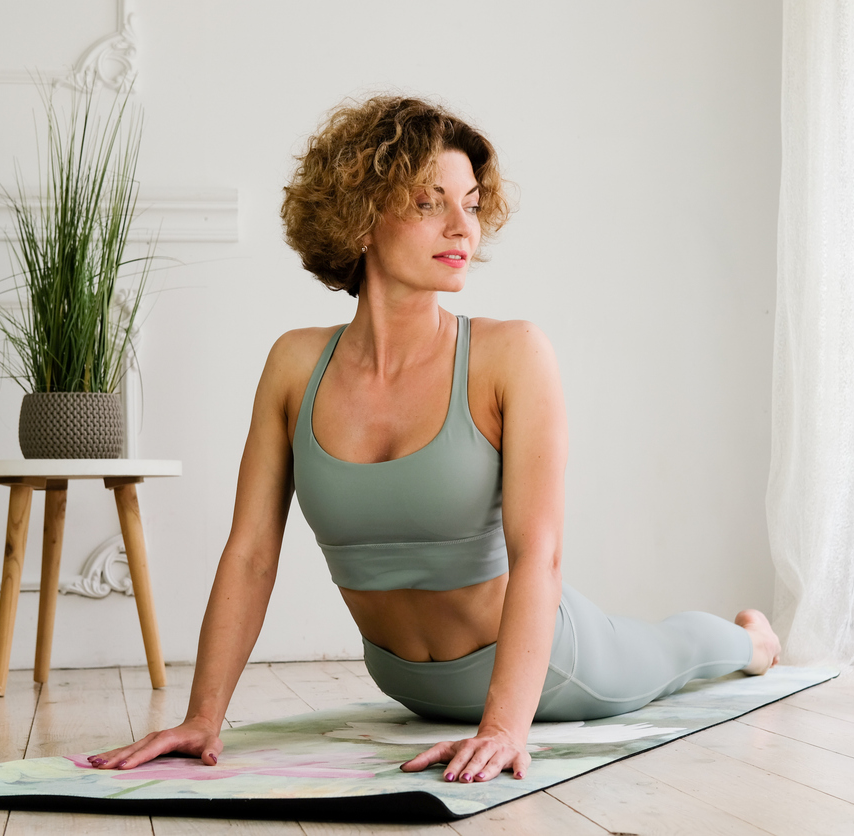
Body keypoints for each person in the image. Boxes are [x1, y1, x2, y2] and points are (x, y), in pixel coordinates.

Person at [89, 96, 780, 784]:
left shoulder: (510, 355)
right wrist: (202, 719)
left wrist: (506, 727)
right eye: (430, 203)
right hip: (406, 685)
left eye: (473, 205)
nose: (462, 228)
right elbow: (250, 554)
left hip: (553, 671)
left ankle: (753, 638)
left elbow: (539, 554)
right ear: (360, 216)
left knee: (679, 649)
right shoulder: (295, 365)